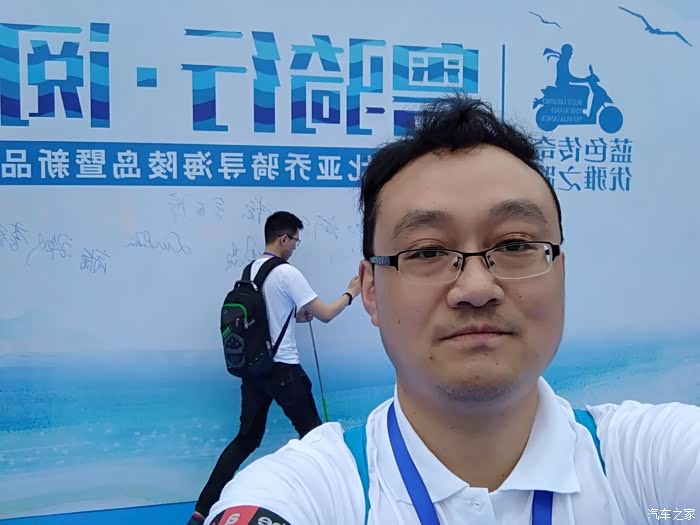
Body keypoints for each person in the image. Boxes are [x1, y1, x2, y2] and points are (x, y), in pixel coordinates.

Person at [199, 95, 700, 525]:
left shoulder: (648, 478)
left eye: (516, 244)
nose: (477, 288)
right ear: (371, 289)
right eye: (427, 252)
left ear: (560, 273)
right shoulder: (313, 494)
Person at [187, 211, 361, 525]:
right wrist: (351, 293)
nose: (295, 247)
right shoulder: (287, 273)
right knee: (317, 440)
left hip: (255, 370)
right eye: (295, 241)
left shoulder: (250, 270)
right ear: (283, 238)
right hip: (283, 371)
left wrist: (295, 316)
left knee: (245, 440)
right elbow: (325, 314)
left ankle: (201, 511)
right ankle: (330, 511)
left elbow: (264, 316)